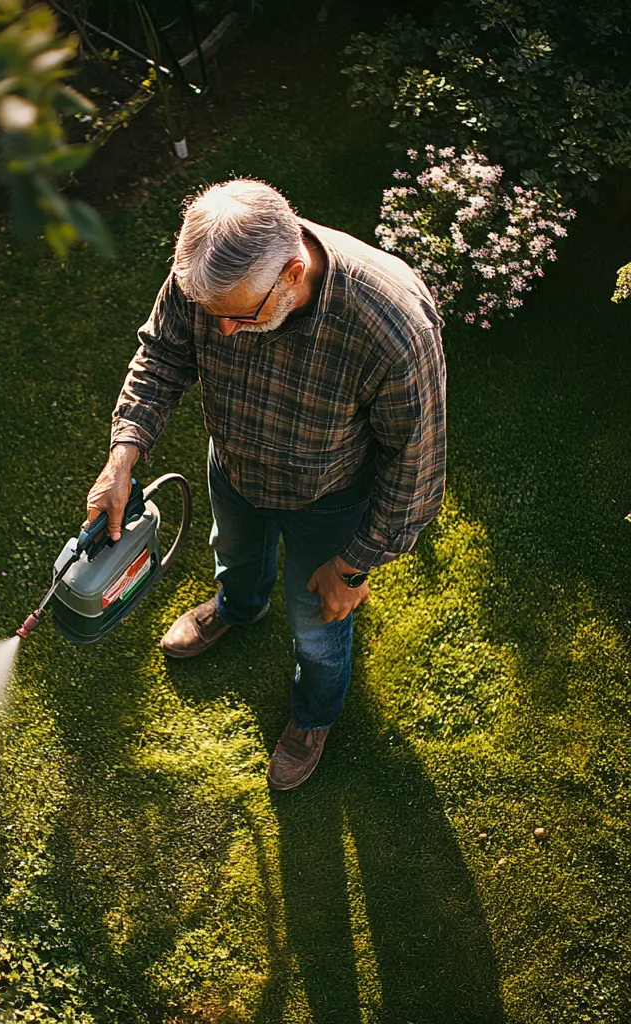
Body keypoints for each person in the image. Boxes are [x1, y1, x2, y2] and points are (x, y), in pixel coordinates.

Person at [85, 179, 446, 790]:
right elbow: (163, 356)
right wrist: (121, 459)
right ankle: (237, 607)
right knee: (235, 555)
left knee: (318, 623)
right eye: (212, 316)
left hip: (329, 499)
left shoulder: (391, 327)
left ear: (293, 272)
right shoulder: (210, 273)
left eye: (238, 317)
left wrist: (353, 566)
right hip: (234, 466)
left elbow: (415, 465)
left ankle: (312, 717)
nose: (222, 333)